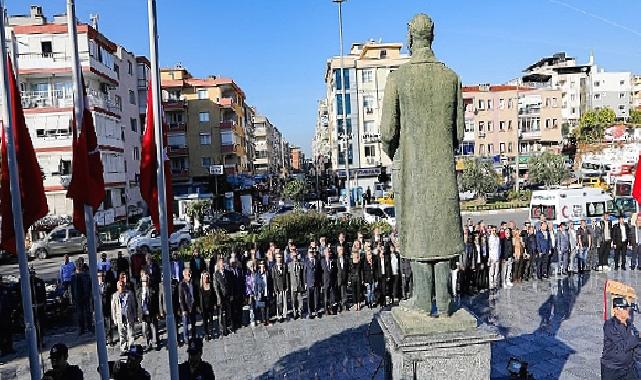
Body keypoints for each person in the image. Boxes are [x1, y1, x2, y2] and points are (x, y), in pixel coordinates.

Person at [601, 297, 639, 379]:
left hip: (629, 368)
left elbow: (636, 345)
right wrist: (636, 337)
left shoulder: (630, 325)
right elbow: (623, 346)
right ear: (616, 310)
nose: (627, 311)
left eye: (627, 308)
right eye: (624, 308)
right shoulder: (609, 325)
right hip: (612, 368)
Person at [111, 280, 136, 355]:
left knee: (131, 334)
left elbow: (133, 305)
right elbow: (113, 309)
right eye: (120, 286)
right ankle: (123, 349)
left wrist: (135, 315)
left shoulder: (129, 294)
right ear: (117, 287)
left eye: (123, 285)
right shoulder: (115, 295)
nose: (122, 287)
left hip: (129, 316)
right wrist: (114, 319)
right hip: (120, 318)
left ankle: (132, 348)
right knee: (122, 334)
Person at [138, 269, 160, 351]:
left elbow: (156, 302)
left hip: (151, 311)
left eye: (146, 280)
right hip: (143, 312)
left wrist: (157, 312)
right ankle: (147, 343)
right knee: (144, 330)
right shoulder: (139, 290)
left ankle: (154, 343)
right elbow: (138, 303)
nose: (145, 282)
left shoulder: (152, 289)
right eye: (144, 280)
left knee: (153, 327)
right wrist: (138, 314)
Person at [70, 259, 92, 335]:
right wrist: (72, 298)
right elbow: (72, 288)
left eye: (80, 264)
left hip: (86, 296)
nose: (79, 265)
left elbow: (89, 285)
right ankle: (81, 328)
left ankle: (89, 327)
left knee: (88, 312)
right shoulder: (73, 276)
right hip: (77, 298)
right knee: (79, 314)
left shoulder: (86, 274)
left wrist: (89, 295)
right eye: (78, 264)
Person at [213, 258, 232, 335]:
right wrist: (219, 298)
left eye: (223, 263)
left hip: (227, 296)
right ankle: (221, 329)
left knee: (228, 312)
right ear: (218, 265)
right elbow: (216, 287)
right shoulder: (216, 274)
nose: (223, 265)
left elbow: (230, 285)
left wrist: (231, 294)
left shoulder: (228, 273)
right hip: (221, 297)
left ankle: (228, 327)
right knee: (221, 313)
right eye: (221, 263)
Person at [98, 270, 115, 346]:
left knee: (109, 325)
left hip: (108, 307)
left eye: (102, 276)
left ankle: (110, 339)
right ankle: (103, 339)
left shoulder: (108, 285)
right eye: (99, 276)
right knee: (102, 326)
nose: (101, 278)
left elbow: (112, 295)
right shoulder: (96, 287)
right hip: (100, 309)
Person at [179, 268, 196, 344]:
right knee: (185, 324)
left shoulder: (193, 282)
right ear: (184, 275)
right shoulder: (181, 284)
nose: (189, 275)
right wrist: (183, 310)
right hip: (186, 306)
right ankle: (186, 338)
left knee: (193, 323)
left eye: (189, 273)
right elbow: (181, 298)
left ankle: (193, 337)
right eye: (187, 274)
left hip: (193, 305)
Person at [287, 248, 305, 319]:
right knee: (293, 300)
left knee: (300, 299)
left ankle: (300, 312)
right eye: (293, 256)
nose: (295, 257)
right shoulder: (289, 265)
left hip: (299, 284)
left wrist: (303, 284)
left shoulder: (301, 264)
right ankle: (295, 312)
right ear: (291, 257)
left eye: (296, 256)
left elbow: (302, 275)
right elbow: (288, 276)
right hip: (292, 284)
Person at [304, 248, 321, 318]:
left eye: (312, 252)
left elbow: (319, 272)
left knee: (316, 297)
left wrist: (320, 282)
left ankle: (316, 311)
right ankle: (310, 312)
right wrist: (305, 283)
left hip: (316, 283)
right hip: (309, 283)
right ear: (308, 254)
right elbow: (304, 273)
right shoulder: (306, 262)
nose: (311, 253)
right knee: (309, 298)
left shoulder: (317, 261)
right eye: (310, 252)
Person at [272, 251, 288, 322]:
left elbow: (287, 277)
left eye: (280, 257)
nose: (279, 259)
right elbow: (274, 279)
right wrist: (275, 289)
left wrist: (287, 286)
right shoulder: (274, 268)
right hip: (278, 287)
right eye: (278, 257)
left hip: (284, 286)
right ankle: (279, 315)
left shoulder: (284, 266)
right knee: (279, 302)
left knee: (285, 302)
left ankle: (285, 314)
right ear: (276, 258)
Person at [200, 271, 216, 340]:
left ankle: (211, 332)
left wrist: (215, 304)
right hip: (203, 307)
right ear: (202, 278)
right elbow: (198, 298)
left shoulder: (211, 285)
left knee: (211, 320)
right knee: (205, 321)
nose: (206, 278)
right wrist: (198, 307)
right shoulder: (200, 287)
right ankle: (206, 334)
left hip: (210, 306)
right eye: (205, 277)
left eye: (207, 277)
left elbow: (214, 295)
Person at [321, 246, 337, 315]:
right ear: (324, 253)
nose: (329, 253)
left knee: (332, 296)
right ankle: (326, 309)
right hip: (325, 281)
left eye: (330, 252)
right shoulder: (322, 262)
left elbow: (335, 272)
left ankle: (332, 308)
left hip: (332, 282)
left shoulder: (333, 262)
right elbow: (320, 273)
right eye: (327, 252)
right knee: (326, 296)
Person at [336, 245, 350, 312]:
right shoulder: (335, 259)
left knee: (344, 292)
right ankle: (339, 305)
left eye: (342, 250)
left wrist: (348, 278)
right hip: (338, 278)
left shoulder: (345, 259)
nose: (341, 251)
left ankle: (344, 304)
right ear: (337, 251)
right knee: (338, 293)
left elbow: (348, 269)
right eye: (340, 250)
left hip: (344, 277)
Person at [350, 242, 363, 310]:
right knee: (354, 292)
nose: (355, 255)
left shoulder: (359, 261)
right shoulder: (351, 261)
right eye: (354, 254)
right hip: (353, 278)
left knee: (358, 291)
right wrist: (349, 280)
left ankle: (358, 303)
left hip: (358, 278)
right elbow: (350, 271)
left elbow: (361, 271)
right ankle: (355, 303)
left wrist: (362, 279)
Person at [487, 226, 501, 291]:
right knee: (491, 272)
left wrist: (499, 255)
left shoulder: (498, 238)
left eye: (495, 230)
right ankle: (491, 284)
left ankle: (495, 283)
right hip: (492, 258)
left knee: (496, 272)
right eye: (493, 230)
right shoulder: (490, 238)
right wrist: (490, 258)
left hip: (497, 257)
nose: (494, 231)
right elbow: (490, 249)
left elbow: (499, 248)